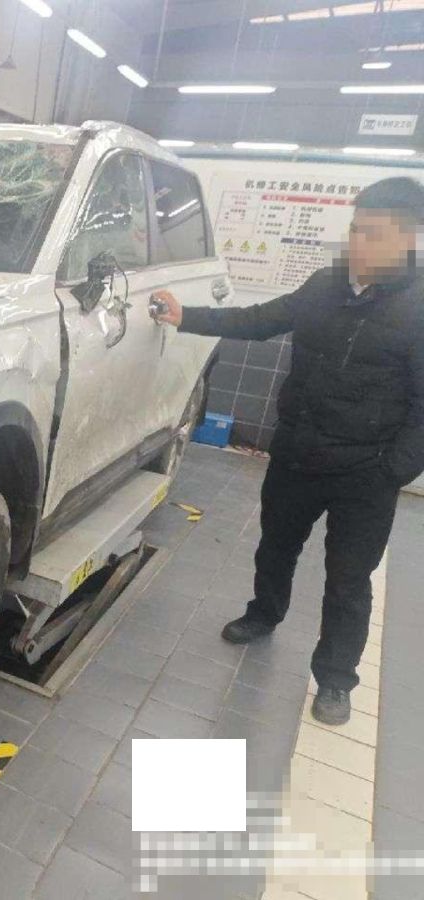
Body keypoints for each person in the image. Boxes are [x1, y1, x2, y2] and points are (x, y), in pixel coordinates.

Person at [151, 176, 424, 726]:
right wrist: (188, 317)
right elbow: (260, 320)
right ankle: (263, 614)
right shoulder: (325, 285)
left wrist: (390, 472)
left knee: (348, 581)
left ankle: (336, 678)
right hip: (298, 453)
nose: (358, 243)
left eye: (373, 234)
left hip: (365, 473)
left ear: (407, 239)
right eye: (356, 229)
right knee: (276, 547)